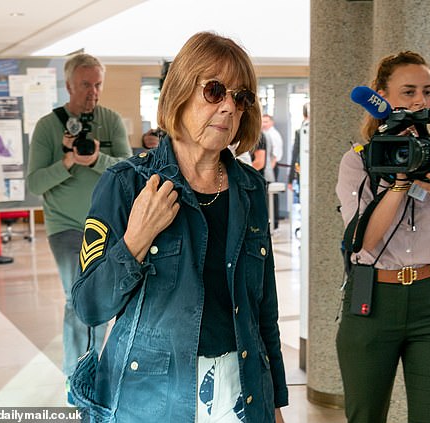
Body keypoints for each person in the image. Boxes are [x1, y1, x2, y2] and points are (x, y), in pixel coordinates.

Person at [72, 31, 288, 422]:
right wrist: (137, 238)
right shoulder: (128, 184)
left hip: (241, 390)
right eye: (215, 91)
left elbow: (264, 309)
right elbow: (89, 306)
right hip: (152, 397)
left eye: (241, 98)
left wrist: (273, 402)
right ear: (180, 93)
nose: (228, 108)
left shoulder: (249, 188)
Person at [335, 51, 430, 423]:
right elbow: (363, 242)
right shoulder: (359, 161)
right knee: (364, 416)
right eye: (409, 92)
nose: (421, 101)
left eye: (427, 92)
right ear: (382, 96)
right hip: (373, 300)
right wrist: (399, 182)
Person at [26, 53, 132, 403]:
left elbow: (129, 170)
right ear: (69, 85)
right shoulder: (48, 126)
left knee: (101, 298)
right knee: (76, 298)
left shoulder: (111, 120)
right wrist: (69, 161)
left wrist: (98, 159)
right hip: (65, 226)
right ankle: (75, 375)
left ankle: (95, 365)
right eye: (86, 84)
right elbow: (35, 183)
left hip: (106, 224)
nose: (93, 92)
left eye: (98, 84)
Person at [261, 114, 283, 229]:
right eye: (262, 121)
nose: (264, 124)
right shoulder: (267, 134)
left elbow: (274, 156)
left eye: (266, 122)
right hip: (269, 167)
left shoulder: (272, 135)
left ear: (272, 122)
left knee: (272, 197)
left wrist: (270, 169)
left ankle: (274, 222)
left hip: (271, 167)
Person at [287, 102, 310, 201]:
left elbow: (295, 154)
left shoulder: (301, 131)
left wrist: (290, 179)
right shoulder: (301, 131)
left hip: (303, 170)